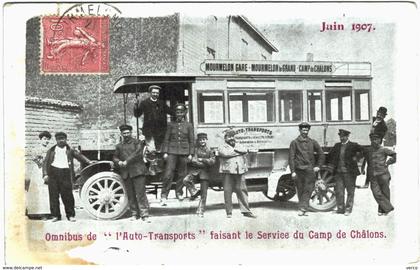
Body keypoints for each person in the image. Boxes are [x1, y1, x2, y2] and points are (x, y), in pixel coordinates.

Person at [43, 132, 92, 222]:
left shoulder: (70, 150)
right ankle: (55, 216)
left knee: (68, 195)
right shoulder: (51, 150)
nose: (61, 141)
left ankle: (70, 215)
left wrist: (89, 162)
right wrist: (45, 174)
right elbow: (45, 162)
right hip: (53, 173)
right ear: (56, 140)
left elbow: (79, 156)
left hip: (66, 173)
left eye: (63, 139)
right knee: (53, 196)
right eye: (59, 139)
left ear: (66, 139)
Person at [113, 124, 150, 222]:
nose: (126, 135)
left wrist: (126, 161)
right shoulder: (119, 146)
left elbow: (137, 154)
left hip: (138, 171)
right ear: (121, 134)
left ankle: (144, 214)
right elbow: (115, 157)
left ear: (131, 132)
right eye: (124, 133)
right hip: (126, 173)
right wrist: (118, 162)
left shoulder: (138, 143)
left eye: (128, 133)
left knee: (141, 194)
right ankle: (134, 214)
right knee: (131, 195)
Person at [218, 129, 257, 219]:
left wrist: (239, 150)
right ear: (225, 138)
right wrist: (239, 151)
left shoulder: (239, 145)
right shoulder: (221, 147)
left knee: (242, 190)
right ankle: (229, 212)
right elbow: (225, 153)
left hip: (240, 170)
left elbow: (244, 150)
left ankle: (246, 211)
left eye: (233, 136)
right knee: (227, 191)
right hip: (227, 171)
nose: (231, 138)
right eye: (229, 136)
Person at [160, 103, 194, 205]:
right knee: (168, 174)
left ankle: (179, 192)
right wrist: (165, 152)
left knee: (182, 174)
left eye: (181, 112)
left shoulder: (189, 125)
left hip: (184, 152)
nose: (179, 114)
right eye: (177, 112)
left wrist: (191, 153)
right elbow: (167, 139)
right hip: (172, 152)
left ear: (184, 113)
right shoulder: (171, 124)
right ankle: (164, 195)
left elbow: (191, 140)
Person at [288, 122, 325, 216]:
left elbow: (321, 154)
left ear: (308, 131)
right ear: (300, 130)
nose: (305, 132)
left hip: (309, 170)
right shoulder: (294, 143)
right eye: (303, 130)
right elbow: (291, 158)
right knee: (300, 190)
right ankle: (302, 208)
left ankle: (303, 208)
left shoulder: (313, 142)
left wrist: (318, 166)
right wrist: (292, 171)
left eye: (307, 130)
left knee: (308, 189)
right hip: (298, 170)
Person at [327, 129, 363, 216]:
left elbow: (363, 151)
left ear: (347, 136)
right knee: (339, 191)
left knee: (350, 191)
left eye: (343, 136)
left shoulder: (353, 145)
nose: (342, 138)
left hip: (350, 173)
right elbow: (330, 155)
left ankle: (348, 209)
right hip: (339, 173)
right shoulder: (337, 146)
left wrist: (357, 158)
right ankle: (340, 209)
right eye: (340, 136)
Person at [182, 133, 216, 217]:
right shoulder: (195, 150)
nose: (202, 141)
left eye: (204, 139)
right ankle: (195, 192)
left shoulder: (210, 151)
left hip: (205, 174)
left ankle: (201, 211)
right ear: (198, 141)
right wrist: (204, 163)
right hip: (195, 172)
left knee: (204, 194)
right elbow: (194, 161)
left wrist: (202, 160)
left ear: (206, 140)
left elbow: (212, 161)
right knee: (186, 180)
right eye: (200, 140)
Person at [362, 133, 396, 216]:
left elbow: (395, 155)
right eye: (373, 140)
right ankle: (388, 207)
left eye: (376, 140)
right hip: (373, 175)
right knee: (376, 192)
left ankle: (382, 210)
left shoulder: (384, 149)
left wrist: (388, 163)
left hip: (383, 174)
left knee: (385, 192)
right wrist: (362, 168)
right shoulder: (368, 150)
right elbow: (365, 160)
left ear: (379, 140)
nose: (374, 141)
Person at [133, 85, 175, 152]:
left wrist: (180, 111)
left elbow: (171, 112)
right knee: (151, 150)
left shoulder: (162, 103)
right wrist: (136, 106)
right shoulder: (144, 103)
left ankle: (159, 161)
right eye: (153, 92)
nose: (155, 94)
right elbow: (137, 114)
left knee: (160, 150)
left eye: (157, 93)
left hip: (161, 131)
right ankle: (152, 161)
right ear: (150, 93)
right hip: (149, 131)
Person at [358, 106, 389, 189]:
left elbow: (379, 137)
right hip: (367, 143)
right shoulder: (372, 119)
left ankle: (367, 183)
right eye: (378, 113)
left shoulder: (383, 126)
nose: (379, 115)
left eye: (381, 114)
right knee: (366, 162)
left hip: (374, 146)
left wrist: (372, 139)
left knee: (371, 165)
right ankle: (366, 179)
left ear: (384, 116)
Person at [26, 131, 52, 220]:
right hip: (38, 170)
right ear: (40, 140)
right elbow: (34, 158)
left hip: (46, 171)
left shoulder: (50, 150)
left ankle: (46, 212)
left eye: (48, 139)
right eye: (44, 139)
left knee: (45, 191)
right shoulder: (36, 149)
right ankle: (36, 213)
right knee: (38, 190)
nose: (46, 141)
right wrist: (43, 162)